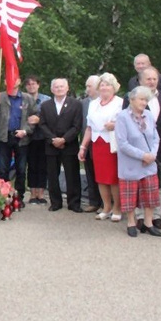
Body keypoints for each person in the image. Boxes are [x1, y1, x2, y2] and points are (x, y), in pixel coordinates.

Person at [115, 86, 161, 237]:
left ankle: (148, 223)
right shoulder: (122, 117)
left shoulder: (148, 115)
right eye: (141, 99)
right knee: (130, 195)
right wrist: (143, 155)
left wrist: (152, 154)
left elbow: (156, 137)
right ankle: (131, 222)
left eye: (146, 100)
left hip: (149, 163)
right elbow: (122, 143)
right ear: (132, 100)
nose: (144, 103)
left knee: (150, 195)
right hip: (131, 163)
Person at [127, 67, 161, 230]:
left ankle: (156, 216)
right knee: (139, 182)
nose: (152, 82)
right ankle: (139, 216)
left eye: (154, 79)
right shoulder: (131, 98)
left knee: (159, 183)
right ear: (140, 81)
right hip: (139, 149)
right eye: (148, 79)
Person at [78, 73, 123, 221]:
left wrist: (115, 125)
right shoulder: (93, 103)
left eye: (107, 84)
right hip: (97, 143)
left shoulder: (120, 102)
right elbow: (89, 128)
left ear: (114, 87)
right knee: (101, 178)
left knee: (113, 178)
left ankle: (117, 208)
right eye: (102, 85)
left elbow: (127, 123)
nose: (104, 87)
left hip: (112, 144)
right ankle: (106, 207)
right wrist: (83, 147)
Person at [0, 77, 38, 201]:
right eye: (8, 79)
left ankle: (18, 197)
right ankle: (3, 196)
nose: (11, 82)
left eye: (14, 79)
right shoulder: (0, 97)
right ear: (4, 82)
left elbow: (35, 117)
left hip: (22, 138)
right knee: (3, 168)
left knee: (21, 169)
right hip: (3, 137)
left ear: (19, 81)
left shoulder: (27, 98)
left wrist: (26, 130)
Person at [40, 78, 83, 212]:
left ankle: (74, 203)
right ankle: (55, 202)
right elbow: (42, 124)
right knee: (52, 175)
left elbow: (77, 126)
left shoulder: (76, 104)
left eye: (62, 86)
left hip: (69, 145)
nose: (59, 89)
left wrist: (64, 139)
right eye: (56, 87)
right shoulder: (46, 105)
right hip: (51, 145)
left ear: (67, 88)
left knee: (72, 175)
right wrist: (53, 139)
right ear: (52, 89)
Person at [23, 75, 50, 204]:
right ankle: (33, 193)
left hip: (43, 137)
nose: (31, 86)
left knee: (43, 166)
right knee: (32, 165)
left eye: (34, 84)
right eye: (28, 84)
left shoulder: (46, 100)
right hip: (28, 137)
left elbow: (51, 118)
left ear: (38, 85)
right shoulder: (22, 99)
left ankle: (41, 194)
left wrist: (39, 120)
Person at [81, 75, 102, 212]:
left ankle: (107, 204)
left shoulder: (109, 102)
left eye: (90, 86)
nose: (87, 89)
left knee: (103, 174)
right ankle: (94, 201)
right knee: (90, 173)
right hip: (86, 142)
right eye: (86, 86)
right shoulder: (83, 103)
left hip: (102, 143)